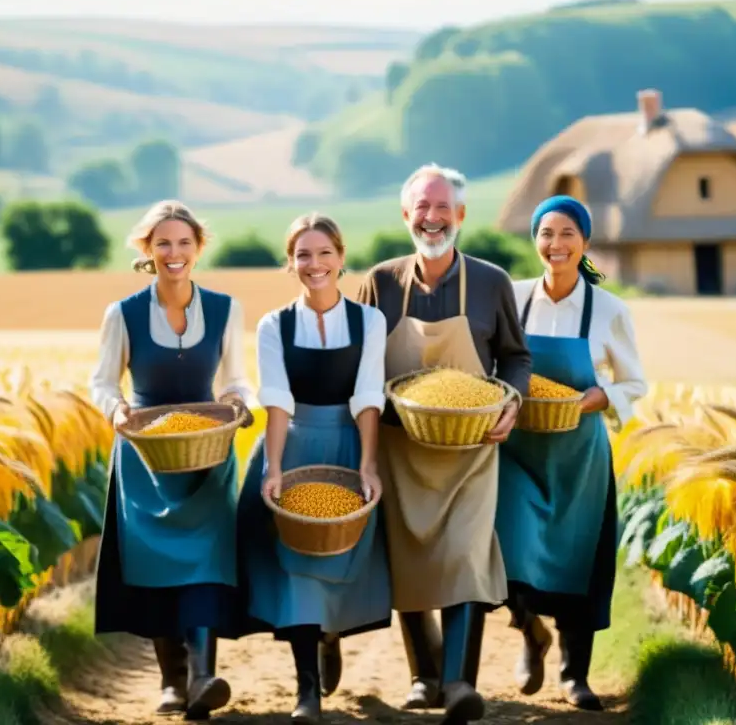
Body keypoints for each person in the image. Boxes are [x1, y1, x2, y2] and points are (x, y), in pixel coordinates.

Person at [356, 165, 532, 724]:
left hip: (471, 448)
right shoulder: (380, 282)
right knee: (409, 561)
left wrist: (513, 402)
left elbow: (517, 357)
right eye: (420, 208)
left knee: (464, 558)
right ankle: (421, 676)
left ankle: (458, 682)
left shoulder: (490, 282)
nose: (431, 218)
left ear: (460, 215)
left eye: (441, 208)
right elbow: (362, 365)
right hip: (400, 448)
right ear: (406, 216)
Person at [88, 200, 255, 720]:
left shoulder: (227, 309)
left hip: (207, 452)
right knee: (155, 564)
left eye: (183, 242)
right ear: (147, 250)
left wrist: (238, 403)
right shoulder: (123, 313)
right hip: (145, 454)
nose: (174, 252)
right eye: (163, 243)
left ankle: (204, 676)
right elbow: (101, 381)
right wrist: (115, 409)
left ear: (198, 247)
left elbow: (234, 378)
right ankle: (171, 680)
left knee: (206, 562)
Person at [237, 213, 392, 724]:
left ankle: (330, 636)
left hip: (348, 445)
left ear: (342, 258)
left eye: (324, 253)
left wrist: (369, 465)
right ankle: (306, 688)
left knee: (338, 558)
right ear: (291, 263)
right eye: (303, 254)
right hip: (296, 444)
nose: (314, 263)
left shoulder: (368, 321)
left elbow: (369, 396)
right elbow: (277, 401)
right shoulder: (273, 325)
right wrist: (273, 468)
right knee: (295, 566)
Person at [497, 195, 647, 711]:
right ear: (534, 240)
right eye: (545, 234)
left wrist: (595, 399)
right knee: (511, 545)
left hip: (579, 454)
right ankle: (529, 633)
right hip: (517, 449)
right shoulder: (511, 298)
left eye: (566, 234)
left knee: (578, 557)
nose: (554, 245)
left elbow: (634, 382)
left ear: (584, 243)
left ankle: (573, 674)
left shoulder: (609, 308)